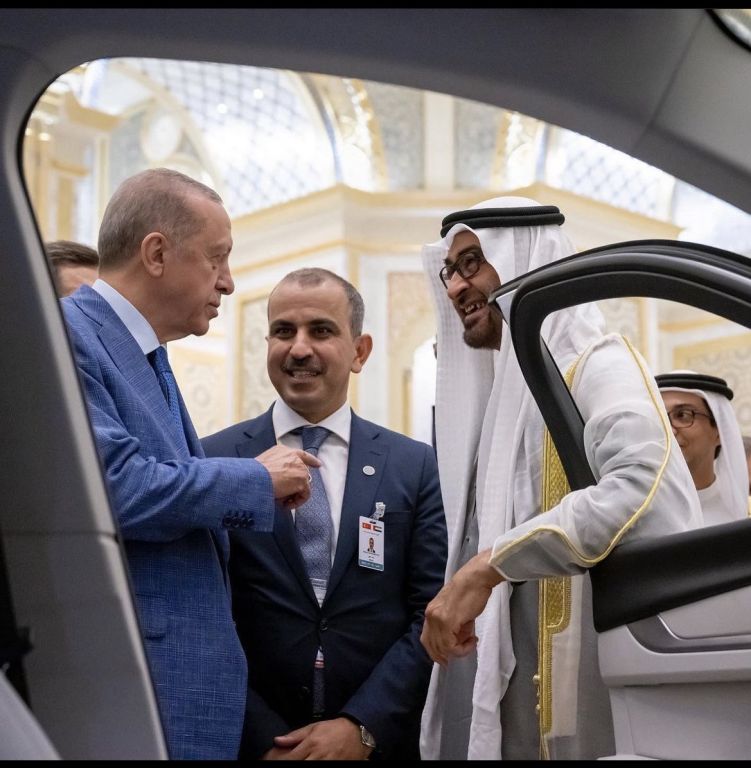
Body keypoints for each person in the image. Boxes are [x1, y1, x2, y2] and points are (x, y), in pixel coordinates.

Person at [418, 196, 702, 760]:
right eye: (450, 270)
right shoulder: (500, 406)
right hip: (507, 690)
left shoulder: (597, 364)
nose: (455, 288)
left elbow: (641, 489)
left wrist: (490, 566)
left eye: (472, 262)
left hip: (581, 685)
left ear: (525, 258)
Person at [60, 168, 319, 760]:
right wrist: (256, 479)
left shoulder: (143, 350)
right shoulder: (71, 334)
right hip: (138, 688)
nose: (228, 282)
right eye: (216, 258)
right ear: (156, 253)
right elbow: (115, 488)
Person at [202, 267, 448, 761]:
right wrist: (265, 740)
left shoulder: (414, 466)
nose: (299, 348)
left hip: (377, 744)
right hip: (252, 743)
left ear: (359, 351)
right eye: (283, 331)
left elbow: (430, 612)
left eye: (320, 330)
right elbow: (202, 615)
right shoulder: (214, 461)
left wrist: (362, 727)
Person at [656, 370, 750, 524]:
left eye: (683, 415)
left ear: (719, 432)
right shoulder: (635, 513)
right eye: (659, 417)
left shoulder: (744, 515)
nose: (669, 430)